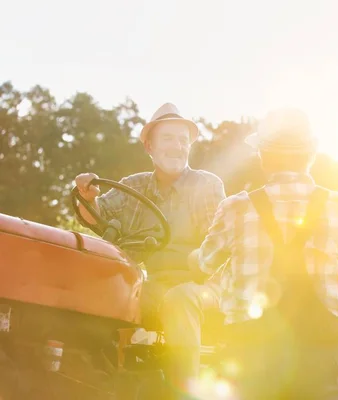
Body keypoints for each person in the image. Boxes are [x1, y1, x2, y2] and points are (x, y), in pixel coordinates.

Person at [188, 108, 338, 399]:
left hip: (250, 349)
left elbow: (206, 263)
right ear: (310, 154)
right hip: (321, 346)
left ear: (263, 157)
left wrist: (190, 259)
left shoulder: (236, 207)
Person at [73, 103, 226, 392]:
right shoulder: (136, 186)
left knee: (179, 300)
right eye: (168, 138)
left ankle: (185, 392)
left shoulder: (206, 185)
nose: (177, 146)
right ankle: (97, 384)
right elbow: (95, 217)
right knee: (104, 296)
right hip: (155, 285)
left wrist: (194, 274)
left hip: (205, 285)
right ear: (149, 147)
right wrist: (87, 195)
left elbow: (218, 248)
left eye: (183, 140)